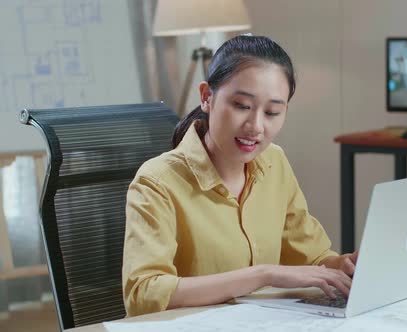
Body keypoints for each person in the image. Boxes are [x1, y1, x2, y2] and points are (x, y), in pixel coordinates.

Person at [122, 35, 357, 317]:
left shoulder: (274, 162)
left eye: (272, 112)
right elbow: (144, 294)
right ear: (207, 97)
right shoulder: (157, 181)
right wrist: (262, 275)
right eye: (242, 106)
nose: (256, 126)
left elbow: (312, 258)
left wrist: (343, 266)